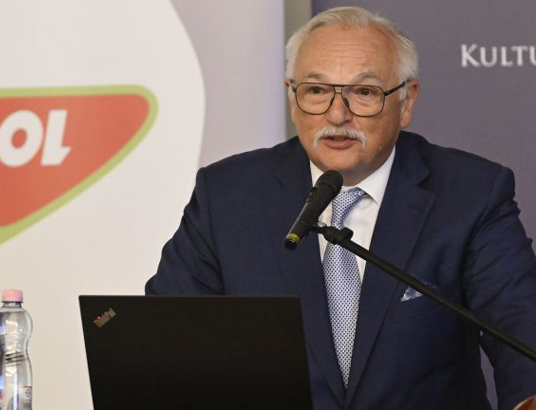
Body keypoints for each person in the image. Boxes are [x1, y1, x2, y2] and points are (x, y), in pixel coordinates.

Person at [146, 6, 536, 409]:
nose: (337, 114)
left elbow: (521, 326)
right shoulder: (228, 196)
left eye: (363, 93)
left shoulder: (470, 194)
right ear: (292, 97)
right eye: (316, 91)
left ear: (406, 101)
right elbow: (167, 339)